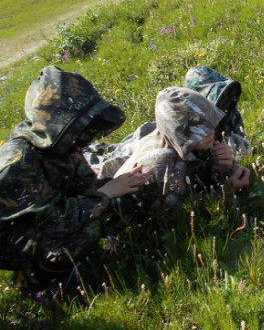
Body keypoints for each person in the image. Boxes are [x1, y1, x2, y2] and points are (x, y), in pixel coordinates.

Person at [0, 66, 151, 290]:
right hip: (14, 238)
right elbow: (53, 221)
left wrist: (118, 186)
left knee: (122, 200)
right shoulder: (18, 162)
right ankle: (34, 281)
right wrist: (106, 193)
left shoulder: (62, 146)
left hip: (51, 217)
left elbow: (83, 186)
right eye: (83, 127)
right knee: (82, 235)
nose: (88, 135)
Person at [85, 66, 249, 178]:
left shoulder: (209, 131)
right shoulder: (164, 155)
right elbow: (182, 209)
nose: (210, 129)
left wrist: (226, 167)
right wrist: (226, 189)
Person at [113, 86, 250, 216]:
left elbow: (198, 172)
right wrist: (227, 190)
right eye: (200, 131)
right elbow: (179, 218)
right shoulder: (164, 164)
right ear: (180, 134)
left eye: (210, 124)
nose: (210, 132)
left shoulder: (192, 141)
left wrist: (225, 168)